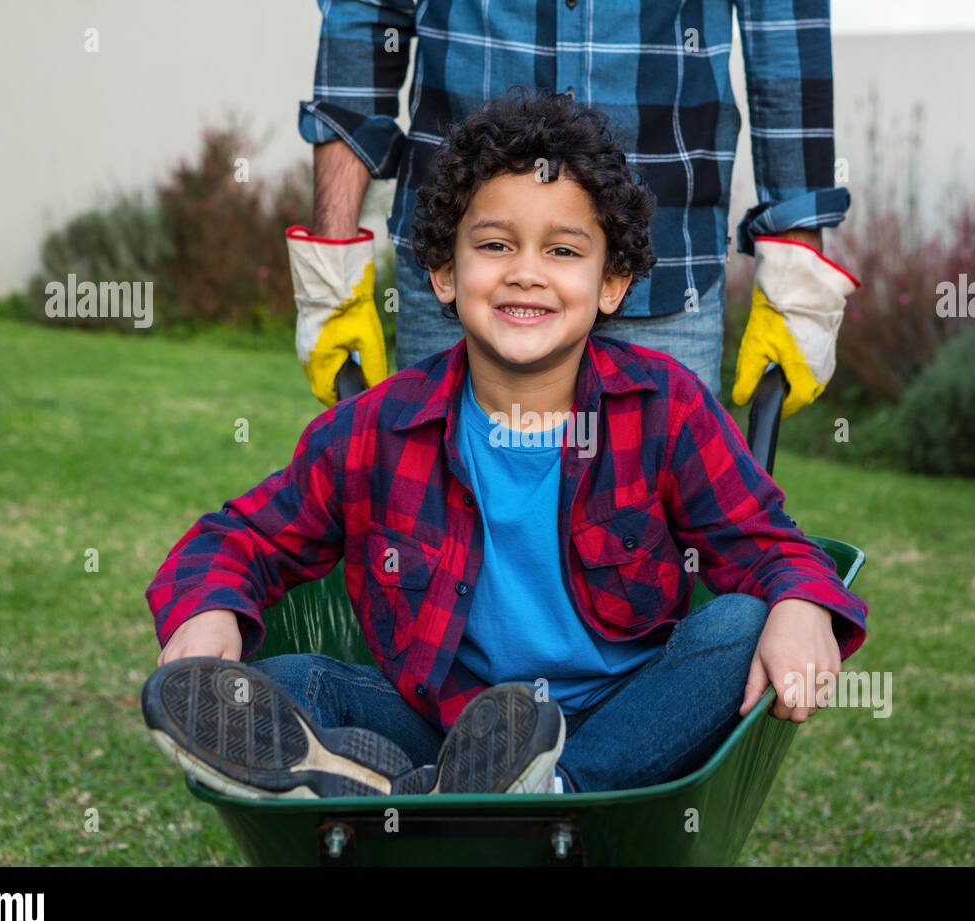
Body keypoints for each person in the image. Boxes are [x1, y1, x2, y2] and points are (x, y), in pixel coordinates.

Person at [142, 91, 868, 798]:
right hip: (451, 733)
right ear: (445, 273)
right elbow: (239, 537)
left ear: (611, 281)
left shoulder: (662, 408)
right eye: (494, 245)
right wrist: (208, 608)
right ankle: (427, 786)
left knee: (742, 623)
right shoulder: (376, 429)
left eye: (562, 249)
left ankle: (550, 790)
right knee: (291, 682)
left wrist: (801, 605)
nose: (526, 271)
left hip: (625, 727)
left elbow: (772, 547)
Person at [287, 0, 859, 419]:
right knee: (438, 539)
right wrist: (331, 272)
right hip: (460, 275)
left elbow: (786, 26)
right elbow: (365, 17)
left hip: (665, 276)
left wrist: (797, 271)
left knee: (650, 557)